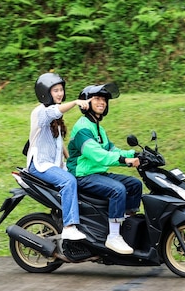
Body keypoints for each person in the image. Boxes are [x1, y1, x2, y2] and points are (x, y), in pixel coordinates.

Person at [66, 83, 142, 254]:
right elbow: (99, 155)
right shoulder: (82, 128)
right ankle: (113, 236)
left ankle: (126, 228)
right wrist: (126, 160)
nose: (102, 102)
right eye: (97, 99)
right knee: (118, 190)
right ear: (87, 103)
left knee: (134, 184)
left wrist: (136, 153)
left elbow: (112, 150)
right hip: (82, 175)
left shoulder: (98, 127)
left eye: (104, 100)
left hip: (97, 173)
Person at [27, 73, 92, 241]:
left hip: (54, 164)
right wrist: (76, 102)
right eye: (55, 90)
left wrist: (71, 161)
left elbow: (58, 142)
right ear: (45, 93)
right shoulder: (40, 112)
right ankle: (69, 227)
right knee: (68, 181)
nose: (60, 93)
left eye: (61, 90)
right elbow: (53, 112)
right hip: (40, 164)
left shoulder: (55, 113)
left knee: (82, 178)